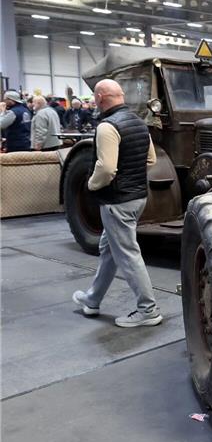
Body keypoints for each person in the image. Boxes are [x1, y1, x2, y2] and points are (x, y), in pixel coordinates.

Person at [72, 79, 162, 328]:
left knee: (128, 255)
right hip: (137, 198)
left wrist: (91, 184)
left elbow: (107, 168)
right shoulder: (139, 122)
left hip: (116, 202)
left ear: (100, 97)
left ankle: (148, 310)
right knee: (109, 251)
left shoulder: (107, 127)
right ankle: (92, 300)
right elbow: (151, 159)